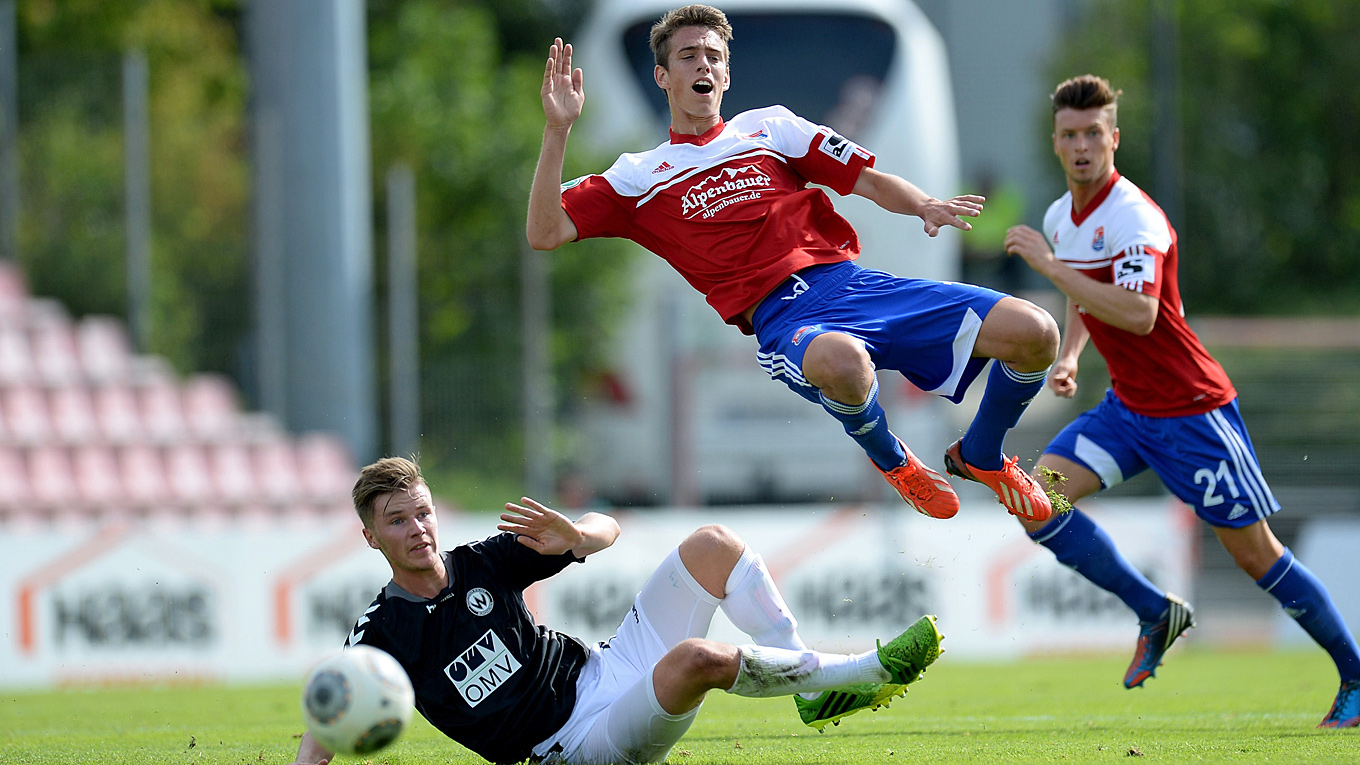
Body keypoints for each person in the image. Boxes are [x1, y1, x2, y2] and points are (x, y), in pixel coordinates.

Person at [526, 4, 1061, 523]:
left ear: (728, 75)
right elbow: (545, 232)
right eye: (688, 56)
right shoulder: (638, 175)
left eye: (713, 56)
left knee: (1036, 331)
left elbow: (867, 180)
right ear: (663, 77)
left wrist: (923, 202)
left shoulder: (771, 128)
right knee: (847, 364)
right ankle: (890, 456)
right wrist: (557, 131)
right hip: (786, 316)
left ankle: (982, 454)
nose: (703, 65)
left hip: (854, 284)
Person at [1004, 74, 1359, 729]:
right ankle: (1153, 609)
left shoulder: (1137, 218)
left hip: (1193, 411)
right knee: (1036, 496)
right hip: (1128, 408)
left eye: (1093, 134)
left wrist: (1051, 268)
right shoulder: (1062, 217)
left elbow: (1138, 314)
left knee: (1256, 554)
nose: (1082, 146)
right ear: (1056, 143)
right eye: (1069, 135)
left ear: (1115, 138)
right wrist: (1072, 353)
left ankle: (1357, 672)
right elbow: (1086, 294)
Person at [287, 456, 946, 765]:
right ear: (371, 537)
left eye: (422, 511)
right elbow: (336, 707)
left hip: (606, 671)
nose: (417, 528)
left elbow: (608, 527)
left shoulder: (480, 562)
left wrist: (577, 536)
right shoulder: (384, 628)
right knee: (695, 661)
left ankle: (804, 685)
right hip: (570, 748)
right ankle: (860, 672)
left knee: (711, 545)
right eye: (397, 521)